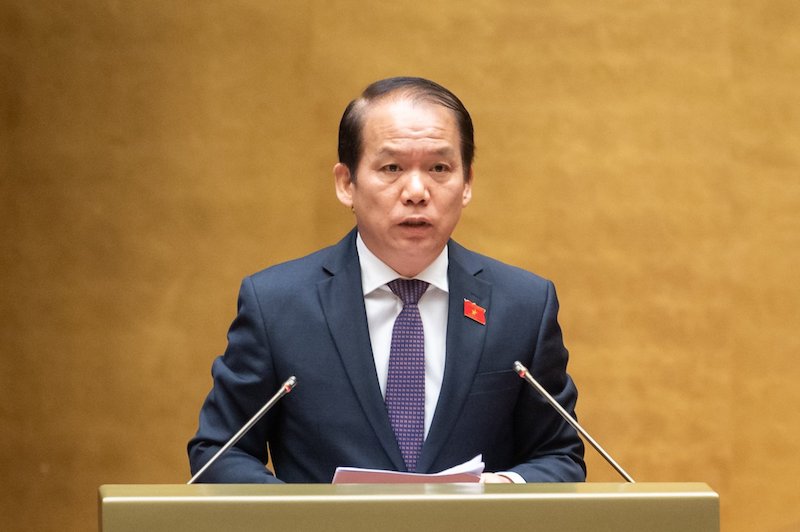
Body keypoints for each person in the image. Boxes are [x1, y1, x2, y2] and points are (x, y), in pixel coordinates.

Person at [188, 77, 585, 483]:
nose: (416, 191)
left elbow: (559, 455)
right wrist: (300, 511)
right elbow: (219, 452)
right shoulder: (276, 305)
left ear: (467, 183)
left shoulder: (523, 306)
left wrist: (504, 490)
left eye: (439, 168)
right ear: (347, 183)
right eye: (392, 168)